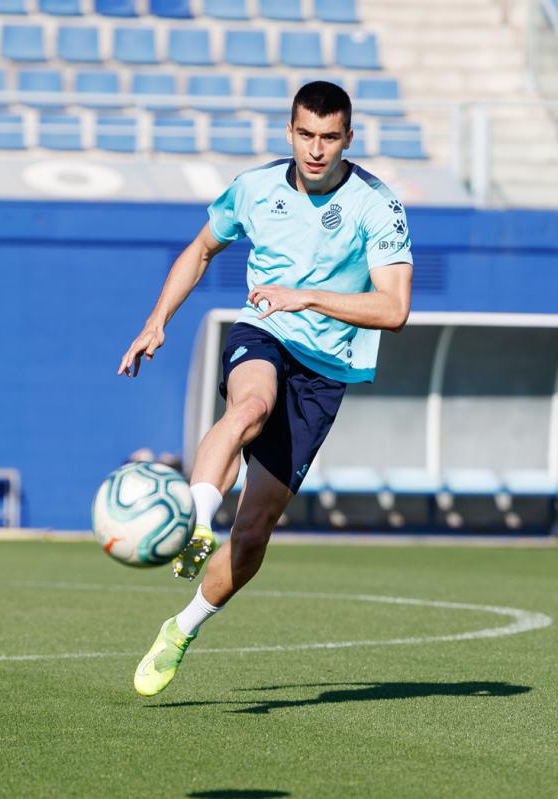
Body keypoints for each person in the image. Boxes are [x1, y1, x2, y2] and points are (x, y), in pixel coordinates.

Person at [117, 81, 413, 697]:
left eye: (329, 137)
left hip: (327, 369)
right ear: (290, 131)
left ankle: (182, 629)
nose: (316, 149)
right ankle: (194, 523)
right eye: (306, 134)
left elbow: (394, 307)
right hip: (265, 330)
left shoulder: (376, 206)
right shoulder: (253, 189)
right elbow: (200, 250)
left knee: (253, 532)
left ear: (347, 140)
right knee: (250, 406)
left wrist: (308, 295)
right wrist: (155, 322)